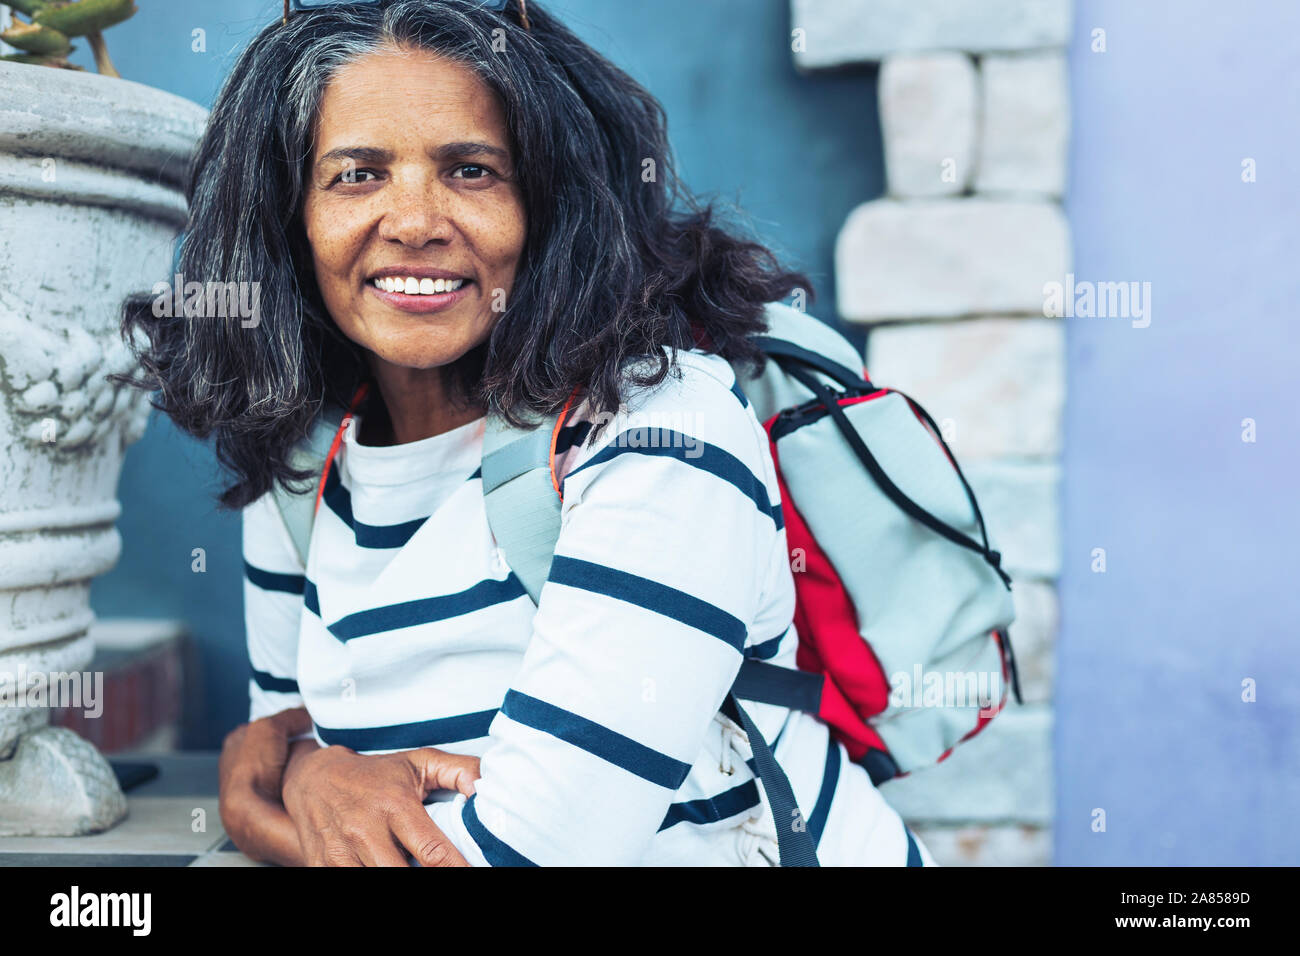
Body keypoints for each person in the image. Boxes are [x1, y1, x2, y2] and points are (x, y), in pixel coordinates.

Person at [121, 0, 936, 867]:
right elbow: (294, 733)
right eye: (357, 174)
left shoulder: (663, 437)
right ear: (287, 218)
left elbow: (520, 856)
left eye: (471, 170)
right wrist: (312, 774)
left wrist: (269, 805)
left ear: (551, 204)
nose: (414, 221)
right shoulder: (300, 459)